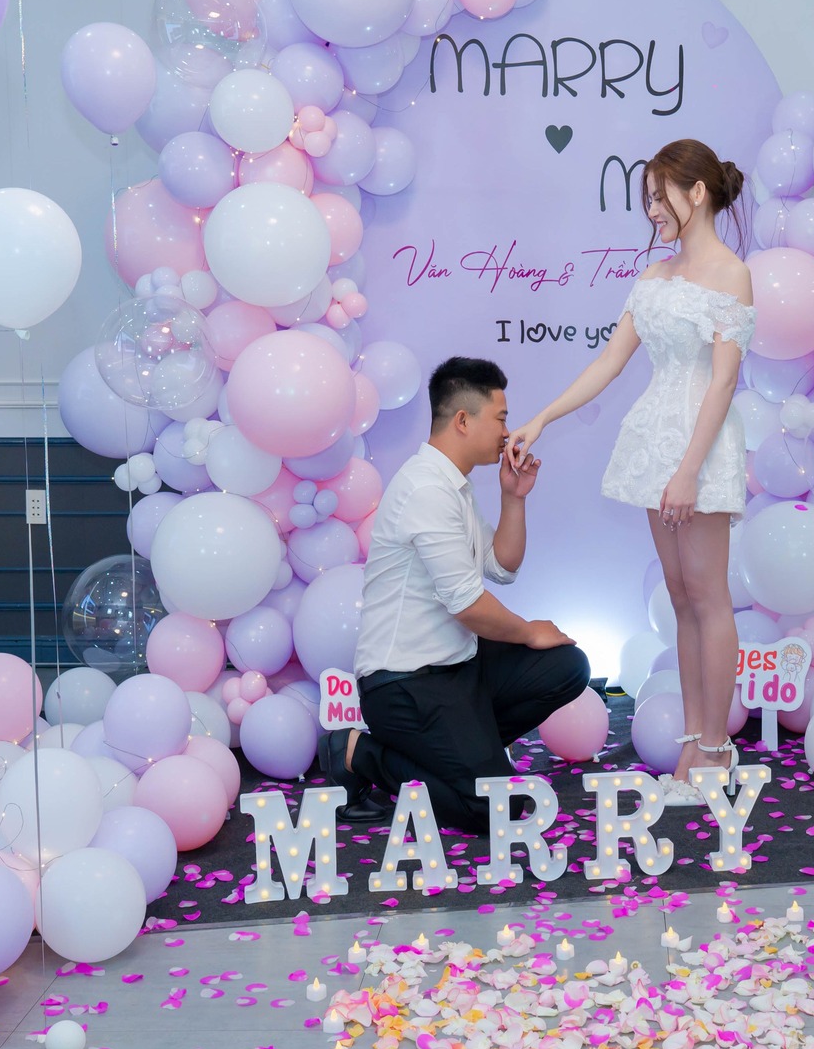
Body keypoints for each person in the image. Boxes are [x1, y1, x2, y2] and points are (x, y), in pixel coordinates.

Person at [507, 139, 754, 806]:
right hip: (654, 440)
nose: (651, 210)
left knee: (708, 595)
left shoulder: (732, 274)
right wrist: (542, 417)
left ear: (696, 191)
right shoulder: (652, 276)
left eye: (658, 195)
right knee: (681, 596)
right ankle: (694, 747)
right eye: (646, 199)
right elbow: (609, 363)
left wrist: (689, 471)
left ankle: (714, 751)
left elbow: (723, 381)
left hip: (701, 446)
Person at [322, 356, 592, 834]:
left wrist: (514, 497)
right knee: (494, 809)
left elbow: (502, 567)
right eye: (501, 418)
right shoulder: (426, 488)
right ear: (463, 420)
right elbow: (467, 605)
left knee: (567, 665)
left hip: (458, 667)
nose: (507, 432)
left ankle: (464, 751)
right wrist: (529, 631)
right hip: (404, 684)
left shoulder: (454, 486)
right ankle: (360, 752)